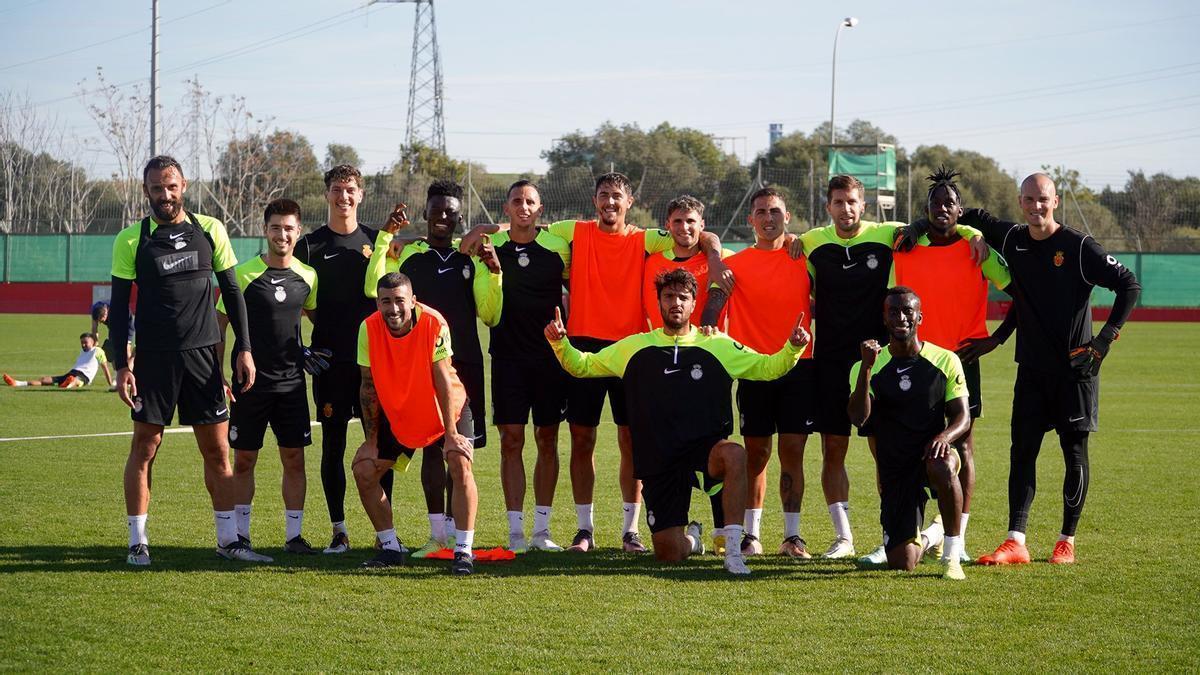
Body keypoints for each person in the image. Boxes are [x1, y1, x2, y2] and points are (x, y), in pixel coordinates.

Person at [460, 172, 730, 553]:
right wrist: (492, 224)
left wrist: (715, 256)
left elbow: (698, 234)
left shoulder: (644, 238)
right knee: (582, 438)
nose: (610, 203)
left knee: (631, 441)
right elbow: (527, 223)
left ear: (629, 202)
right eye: (604, 195)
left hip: (631, 351)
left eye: (617, 196)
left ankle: (630, 530)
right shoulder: (576, 230)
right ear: (594, 200)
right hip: (584, 346)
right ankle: (584, 529)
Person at [546, 268, 811, 575]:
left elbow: (768, 368)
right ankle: (693, 540)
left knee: (735, 453)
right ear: (658, 302)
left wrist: (793, 347)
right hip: (659, 460)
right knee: (669, 553)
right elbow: (583, 365)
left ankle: (734, 552)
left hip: (705, 451)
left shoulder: (718, 345)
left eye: (683, 297)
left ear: (693, 303)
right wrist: (559, 343)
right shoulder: (634, 347)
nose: (676, 303)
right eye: (669, 296)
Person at [952, 173, 1141, 565]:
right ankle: (1015, 540)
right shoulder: (1013, 238)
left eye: (1043, 200)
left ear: (1055, 202)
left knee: (1073, 453)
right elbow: (963, 211)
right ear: (1020, 202)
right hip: (1031, 370)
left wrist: (1103, 341)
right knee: (1022, 452)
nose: (1036, 207)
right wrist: (966, 231)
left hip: (1075, 371)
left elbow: (1129, 285)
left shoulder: (1078, 247)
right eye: (1029, 200)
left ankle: (1066, 540)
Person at [795, 174, 985, 559]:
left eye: (852, 202)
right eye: (838, 202)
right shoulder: (811, 242)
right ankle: (844, 538)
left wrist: (972, 232)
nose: (845, 209)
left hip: (879, 361)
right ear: (827, 206)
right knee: (833, 449)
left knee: (887, 454)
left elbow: (936, 220)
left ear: (862, 205)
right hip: (831, 361)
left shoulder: (886, 234)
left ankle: (902, 533)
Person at [108, 155, 257, 566]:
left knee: (217, 452)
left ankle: (229, 542)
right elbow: (120, 310)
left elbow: (232, 292)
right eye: (157, 188)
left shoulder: (210, 230)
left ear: (184, 185)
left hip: (204, 358)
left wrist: (243, 348)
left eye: (171, 186)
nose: (165, 195)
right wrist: (122, 364)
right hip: (154, 361)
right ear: (146, 191)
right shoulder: (131, 239)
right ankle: (138, 541)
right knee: (145, 447)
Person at [868, 167, 1013, 565]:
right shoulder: (903, 243)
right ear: (926, 209)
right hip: (909, 360)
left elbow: (1021, 291)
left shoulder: (975, 247)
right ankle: (893, 533)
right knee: (888, 448)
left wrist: (996, 338)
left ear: (960, 209)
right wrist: (912, 227)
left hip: (958, 361)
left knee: (962, 447)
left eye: (950, 203)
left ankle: (956, 538)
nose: (943, 209)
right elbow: (863, 231)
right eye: (935, 203)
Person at [364, 179, 501, 557]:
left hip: (464, 363)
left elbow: (489, 314)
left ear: (460, 218)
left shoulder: (469, 257)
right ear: (425, 213)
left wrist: (494, 273)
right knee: (429, 451)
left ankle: (460, 539)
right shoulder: (408, 256)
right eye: (437, 210)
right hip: (418, 365)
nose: (443, 217)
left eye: (452, 213)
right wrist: (384, 240)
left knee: (457, 451)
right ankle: (436, 535)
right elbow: (373, 289)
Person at [700, 187, 816, 558]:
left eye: (776, 212)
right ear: (751, 220)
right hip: (753, 369)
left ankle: (793, 536)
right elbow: (711, 310)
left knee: (793, 452)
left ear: (788, 217)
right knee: (757, 454)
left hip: (800, 366)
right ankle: (751, 535)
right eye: (761, 212)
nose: (769, 218)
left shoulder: (805, 256)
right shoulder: (737, 264)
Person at [353, 272, 479, 575]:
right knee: (364, 470)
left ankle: (463, 551)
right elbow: (368, 386)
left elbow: (442, 378)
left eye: (399, 301)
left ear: (412, 300)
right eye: (386, 302)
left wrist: (450, 434)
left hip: (444, 407)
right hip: (400, 412)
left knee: (460, 461)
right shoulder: (368, 328)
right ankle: (391, 548)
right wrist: (371, 442)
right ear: (378, 303)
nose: (393, 309)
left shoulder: (434, 322)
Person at [215, 198, 321, 559]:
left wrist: (314, 351)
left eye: (289, 228)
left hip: (292, 386)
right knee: (244, 460)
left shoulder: (308, 277)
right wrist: (218, 374)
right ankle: (240, 537)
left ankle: (294, 536)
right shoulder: (242, 275)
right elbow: (220, 324)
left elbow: (313, 318)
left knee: (294, 459)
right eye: (276, 227)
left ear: (298, 231)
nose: (282, 234)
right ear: (266, 230)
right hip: (249, 386)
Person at [848, 286, 971, 580]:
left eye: (907, 311)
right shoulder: (866, 366)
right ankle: (934, 533)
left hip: (933, 455)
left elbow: (962, 416)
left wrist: (944, 437)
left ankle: (952, 556)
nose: (901, 317)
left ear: (919, 317)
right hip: (896, 467)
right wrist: (866, 369)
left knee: (942, 465)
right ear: (885, 319)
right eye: (894, 312)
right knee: (902, 562)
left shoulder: (945, 360)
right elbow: (858, 419)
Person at [294, 164, 384, 554]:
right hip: (330, 364)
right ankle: (339, 530)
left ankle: (385, 532)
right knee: (332, 444)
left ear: (360, 195)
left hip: (373, 365)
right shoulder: (309, 245)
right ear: (327, 194)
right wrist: (303, 348)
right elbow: (291, 303)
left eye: (350, 189)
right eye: (336, 189)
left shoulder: (378, 241)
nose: (343, 196)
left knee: (379, 445)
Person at [486, 180, 571, 552]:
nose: (524, 206)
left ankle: (542, 531)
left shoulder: (558, 248)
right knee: (511, 442)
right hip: (507, 359)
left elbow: (575, 291)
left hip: (549, 359)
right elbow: (461, 243)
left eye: (530, 201)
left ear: (540, 209)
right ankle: (515, 532)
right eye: (517, 201)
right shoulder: (491, 247)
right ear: (506, 208)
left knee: (547, 440)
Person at [641, 195, 729, 330]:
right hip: (662, 348)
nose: (684, 227)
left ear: (702, 225)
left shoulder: (722, 260)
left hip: (707, 346)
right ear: (667, 225)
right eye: (677, 221)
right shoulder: (650, 263)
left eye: (690, 221)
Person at [4, 332, 112, 389]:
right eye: (82, 342)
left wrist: (111, 383)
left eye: (86, 342)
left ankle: (68, 384)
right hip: (72, 372)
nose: (83, 344)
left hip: (85, 376)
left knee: (76, 381)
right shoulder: (82, 351)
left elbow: (105, 368)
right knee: (44, 379)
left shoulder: (98, 351)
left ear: (93, 342)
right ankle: (17, 383)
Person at [91, 300, 134, 378]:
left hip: (126, 323)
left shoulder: (116, 310)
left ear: (105, 314)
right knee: (112, 351)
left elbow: (121, 328)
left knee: (126, 349)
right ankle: (118, 376)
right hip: (112, 326)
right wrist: (95, 344)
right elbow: (94, 329)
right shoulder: (95, 310)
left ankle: (130, 374)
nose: (100, 323)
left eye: (101, 321)